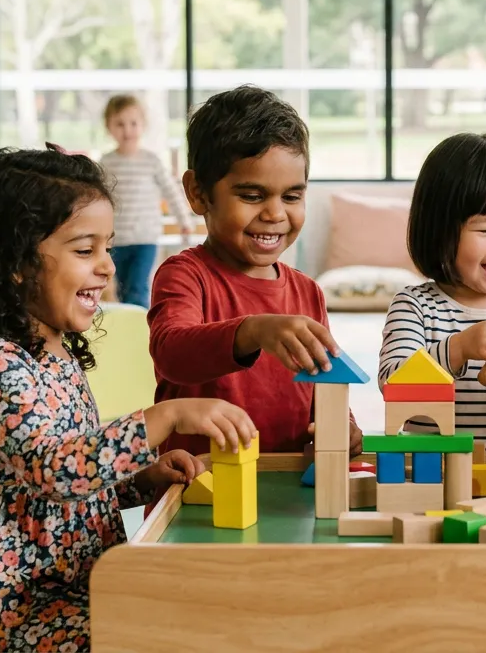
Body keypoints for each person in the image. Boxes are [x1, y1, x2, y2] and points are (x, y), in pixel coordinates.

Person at [0, 144, 257, 651]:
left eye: (108, 247)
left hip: (75, 585)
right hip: (7, 611)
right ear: (15, 262)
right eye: (85, 250)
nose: (107, 266)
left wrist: (141, 478)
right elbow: (56, 471)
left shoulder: (54, 351)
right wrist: (167, 415)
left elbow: (80, 476)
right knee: (151, 635)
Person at [149, 85, 362, 458]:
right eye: (252, 195)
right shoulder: (184, 275)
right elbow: (172, 353)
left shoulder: (308, 292)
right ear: (198, 193)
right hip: (200, 496)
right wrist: (253, 330)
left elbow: (324, 388)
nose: (275, 214)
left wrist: (341, 428)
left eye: (292, 196)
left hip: (285, 493)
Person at [378, 133, 486, 451]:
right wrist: (459, 349)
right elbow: (394, 389)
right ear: (440, 231)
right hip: (435, 480)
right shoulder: (415, 306)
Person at [98, 94, 195, 308]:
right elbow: (98, 200)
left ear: (143, 125)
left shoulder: (151, 161)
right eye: (120, 124)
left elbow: (171, 191)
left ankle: (142, 326)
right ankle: (130, 322)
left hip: (146, 238)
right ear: (109, 127)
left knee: (138, 285)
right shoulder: (106, 163)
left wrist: (184, 221)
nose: (127, 130)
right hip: (116, 239)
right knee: (121, 286)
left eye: (133, 123)